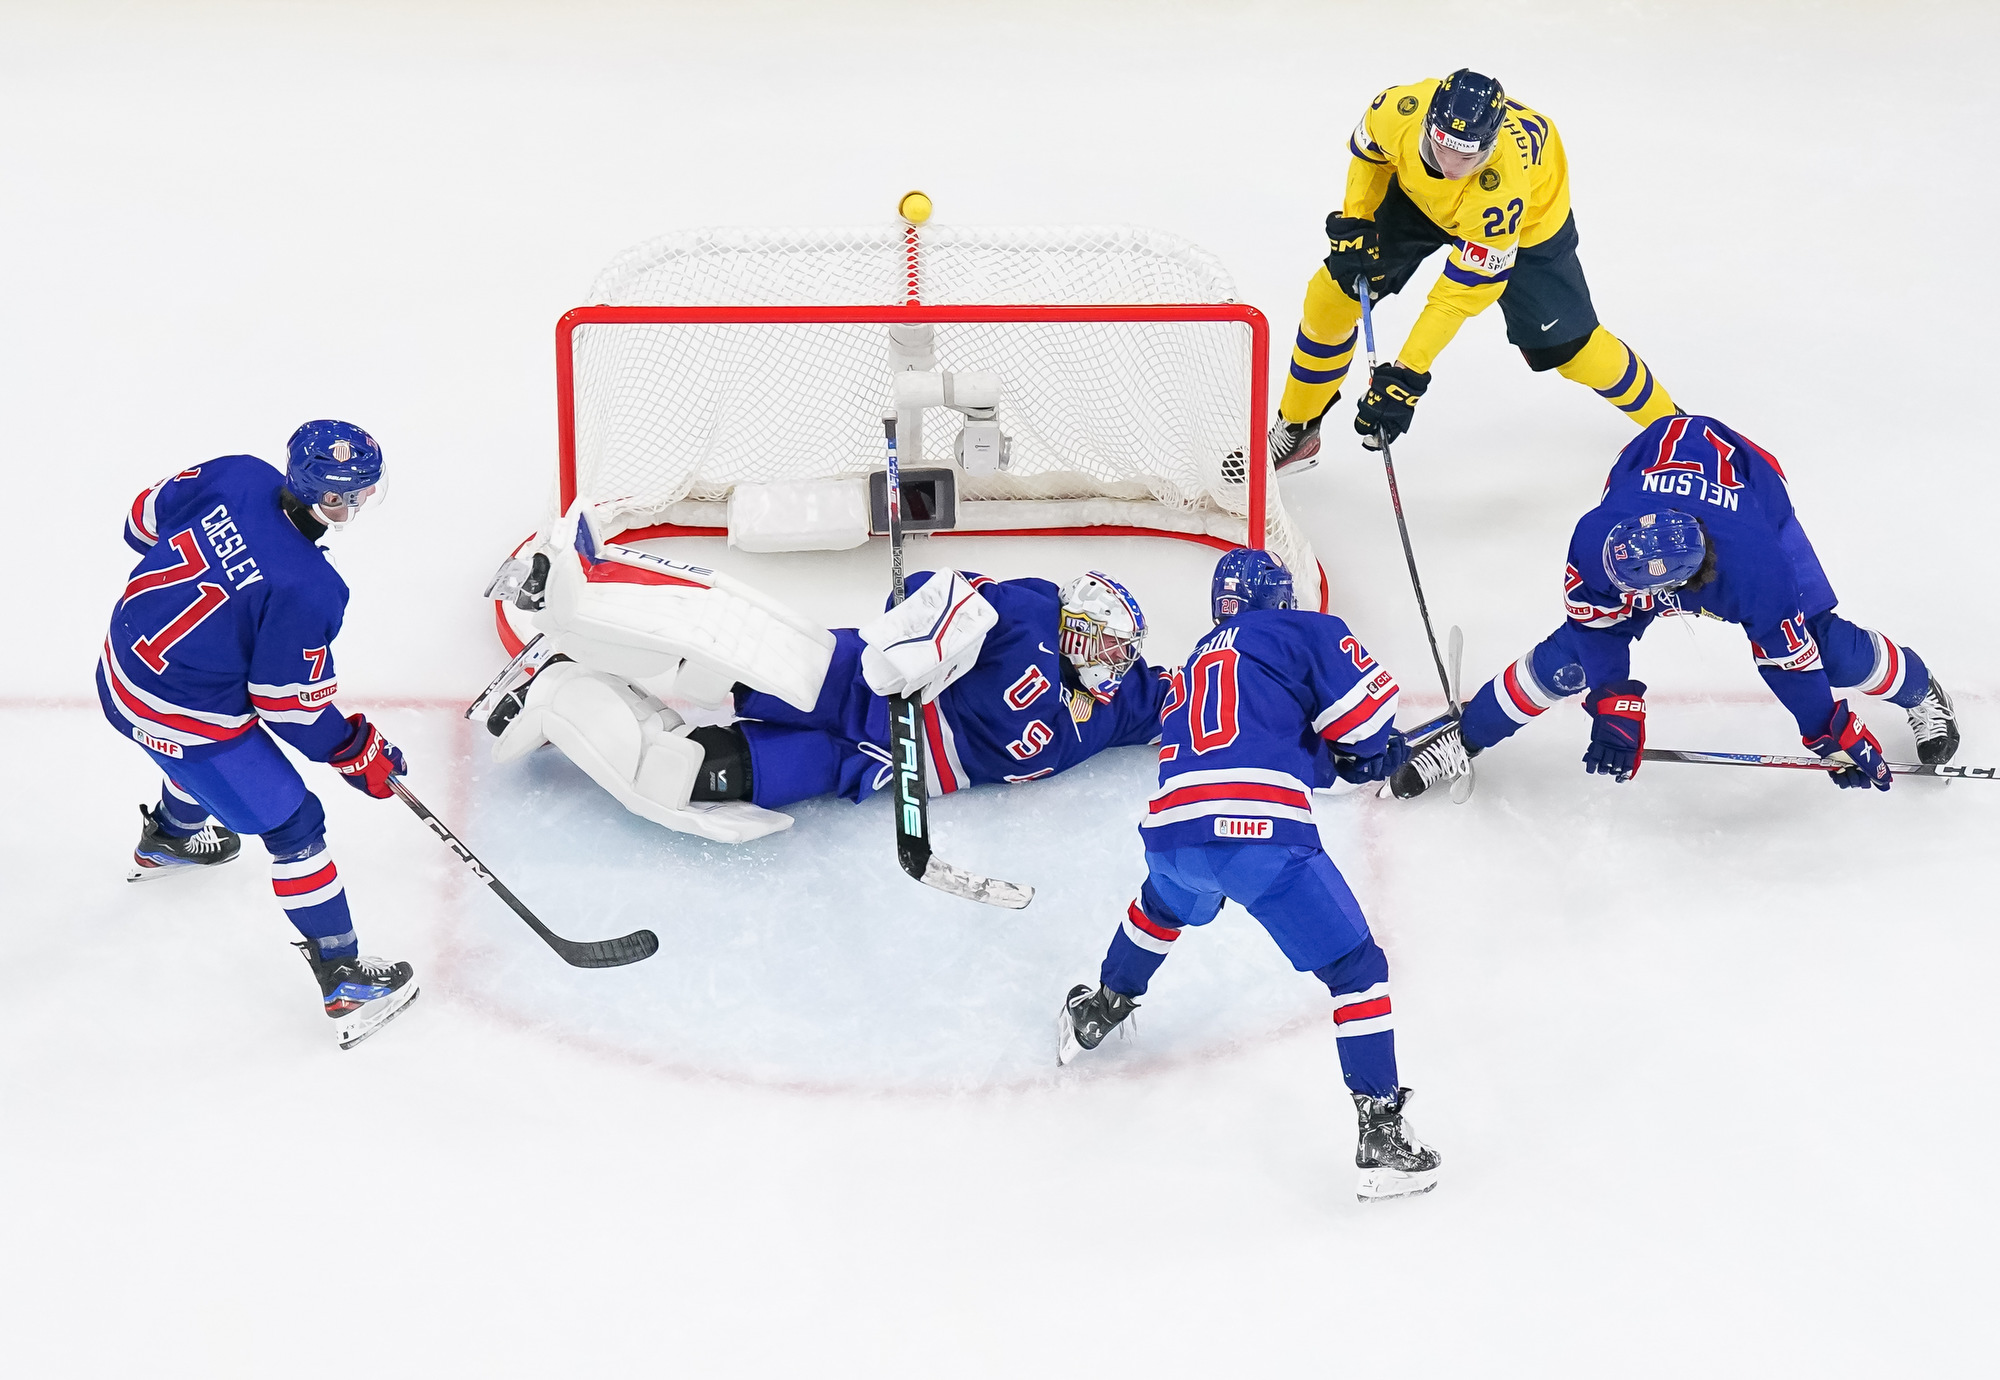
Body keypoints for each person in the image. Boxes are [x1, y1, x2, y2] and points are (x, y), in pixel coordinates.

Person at [1055, 548, 1442, 1203]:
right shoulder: (1302, 630)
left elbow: (1284, 750)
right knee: (1357, 970)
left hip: (1172, 833)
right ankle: (1381, 1134)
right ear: (1282, 600)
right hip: (1260, 835)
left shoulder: (1198, 663)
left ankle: (1099, 1010)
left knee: (1161, 908)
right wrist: (1380, 752)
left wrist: (1351, 762)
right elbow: (1365, 723)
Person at [486, 503, 1173, 841]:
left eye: (1123, 654)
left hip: (870, 766)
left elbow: (1196, 696)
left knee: (678, 774)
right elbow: (939, 597)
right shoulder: (1031, 612)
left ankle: (556, 691)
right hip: (857, 683)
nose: (1116, 663)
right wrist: (922, 639)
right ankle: (573, 586)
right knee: (717, 644)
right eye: (1109, 646)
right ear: (1078, 626)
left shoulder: (1121, 705)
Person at [1391, 413, 1959, 799]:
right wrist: (1612, 698)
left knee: (1825, 645)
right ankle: (1466, 735)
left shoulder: (1756, 569)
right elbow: (1594, 629)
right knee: (1569, 659)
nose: (1632, 603)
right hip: (1651, 463)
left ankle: (1920, 689)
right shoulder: (1597, 539)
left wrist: (1826, 729)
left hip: (1753, 488)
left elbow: (1790, 661)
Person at [100, 421, 419, 1048]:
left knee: (204, 759)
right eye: (353, 493)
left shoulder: (238, 472)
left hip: (120, 668)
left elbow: (140, 523)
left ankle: (172, 837)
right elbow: (288, 707)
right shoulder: (310, 586)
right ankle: (345, 977)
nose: (359, 501)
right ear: (331, 498)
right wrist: (355, 750)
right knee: (295, 826)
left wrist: (225, 568)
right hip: (182, 714)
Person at [1268, 68, 1680, 473]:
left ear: (1490, 145)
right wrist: (1357, 219)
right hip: (1418, 199)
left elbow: (1456, 296)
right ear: (1427, 125)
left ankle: (1677, 429)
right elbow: (1371, 156)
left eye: (1467, 157)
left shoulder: (1501, 193)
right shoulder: (1398, 108)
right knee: (1332, 296)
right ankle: (1298, 427)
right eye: (1440, 149)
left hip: (1528, 226)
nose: (1450, 167)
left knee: (1576, 352)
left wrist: (1407, 375)